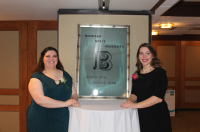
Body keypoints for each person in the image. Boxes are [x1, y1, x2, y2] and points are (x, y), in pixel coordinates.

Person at [121, 43, 172, 132]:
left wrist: (135, 105)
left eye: (148, 53)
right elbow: (135, 93)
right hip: (142, 114)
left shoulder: (159, 73)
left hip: (157, 115)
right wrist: (129, 101)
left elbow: (158, 98)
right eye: (141, 53)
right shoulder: (136, 74)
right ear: (138, 56)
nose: (144, 56)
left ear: (153, 55)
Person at [27, 47, 79, 132]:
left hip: (61, 118)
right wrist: (65, 103)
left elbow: (74, 94)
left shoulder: (66, 75)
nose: (51, 58)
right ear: (42, 59)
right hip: (40, 118)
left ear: (57, 59)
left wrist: (73, 101)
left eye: (54, 56)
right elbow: (39, 99)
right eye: (48, 56)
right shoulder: (36, 77)